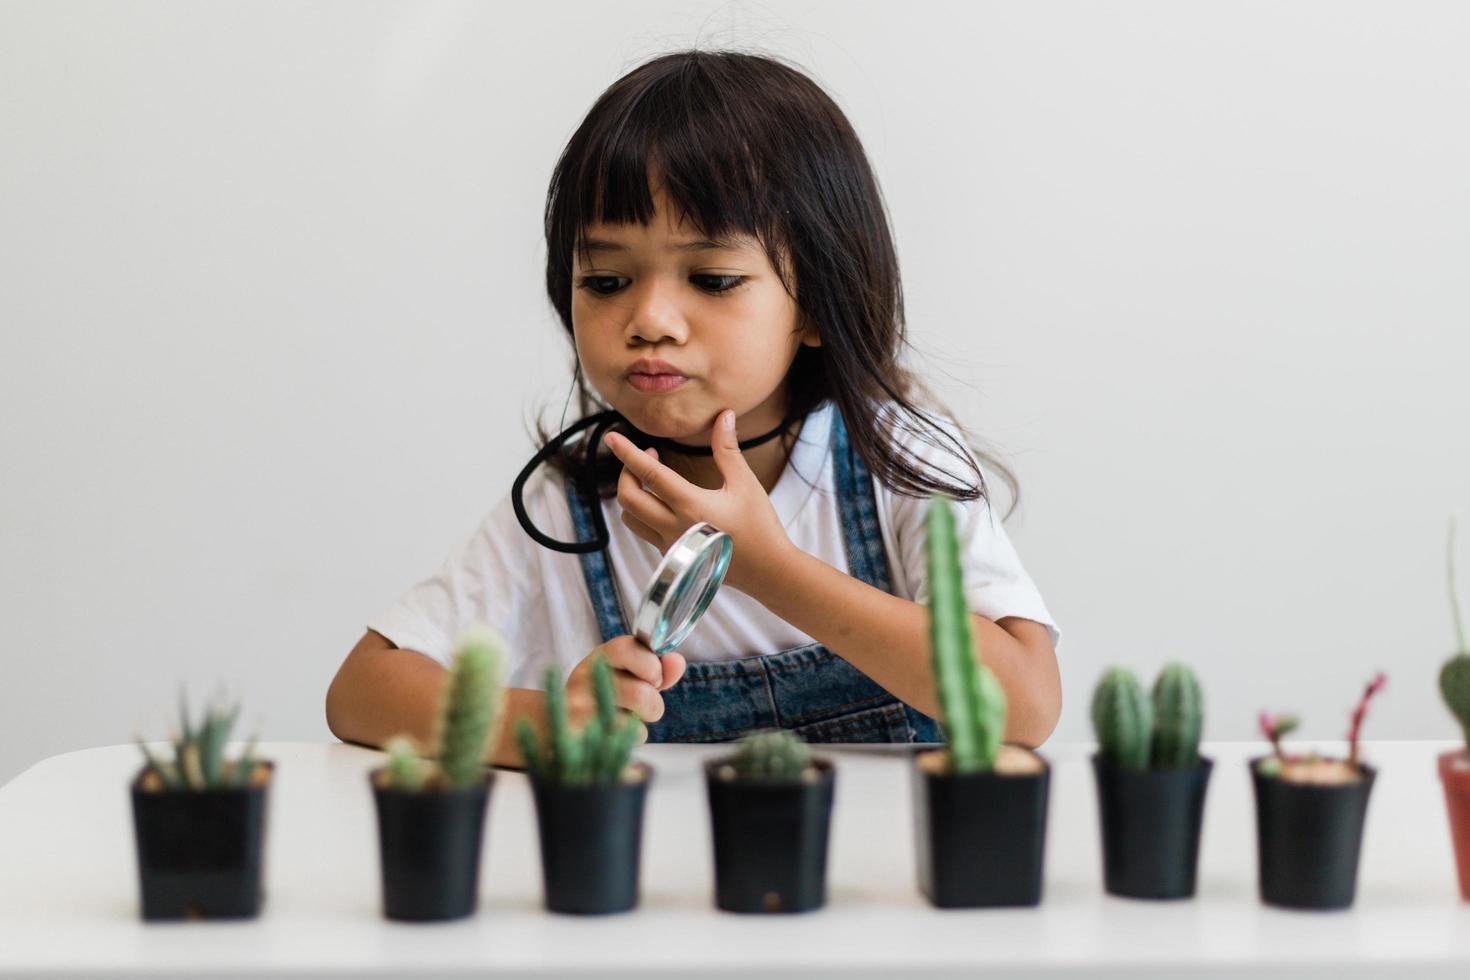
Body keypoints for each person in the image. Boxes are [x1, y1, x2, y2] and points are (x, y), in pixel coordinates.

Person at [326, 50, 1061, 768]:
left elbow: (1024, 705)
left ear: (816, 306)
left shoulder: (894, 458)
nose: (650, 318)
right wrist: (545, 723)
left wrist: (771, 570)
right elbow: (361, 691)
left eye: (710, 278)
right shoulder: (569, 504)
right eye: (607, 280)